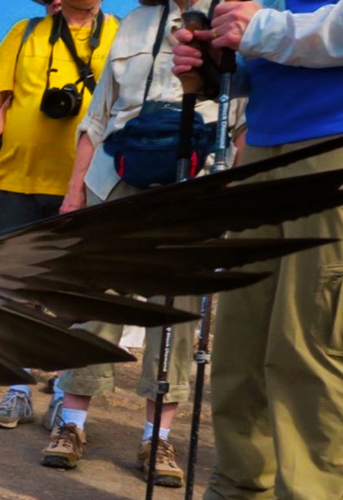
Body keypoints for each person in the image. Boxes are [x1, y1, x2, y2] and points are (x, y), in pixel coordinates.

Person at [46, 0, 247, 486]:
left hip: (194, 174)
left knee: (175, 307)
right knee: (95, 296)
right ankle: (71, 425)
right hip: (113, 176)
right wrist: (74, 191)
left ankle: (157, 436)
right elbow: (96, 117)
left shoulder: (231, 15)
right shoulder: (133, 22)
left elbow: (241, 119)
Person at [171, 1, 343, 498]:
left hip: (332, 152)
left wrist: (263, 28)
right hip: (263, 151)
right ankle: (238, 487)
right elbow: (279, 54)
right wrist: (219, 67)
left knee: (313, 345)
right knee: (241, 345)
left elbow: (282, 33)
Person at [0, 0, 119, 429]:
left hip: (88, 184)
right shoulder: (25, 32)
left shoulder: (119, 33)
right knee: (17, 290)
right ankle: (17, 390)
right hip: (16, 180)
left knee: (77, 291)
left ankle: (66, 395)